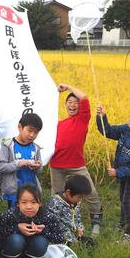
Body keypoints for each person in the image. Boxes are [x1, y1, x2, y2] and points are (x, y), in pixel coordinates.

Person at [50, 84, 103, 235]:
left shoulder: (82, 119)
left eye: (75, 102)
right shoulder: (58, 124)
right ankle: (58, 220)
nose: (72, 105)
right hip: (57, 164)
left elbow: (84, 97)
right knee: (57, 194)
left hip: (77, 164)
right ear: (65, 105)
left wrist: (67, 87)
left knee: (90, 191)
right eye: (69, 102)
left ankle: (96, 219)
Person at [96, 104, 130, 242]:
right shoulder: (127, 130)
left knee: (128, 202)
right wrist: (102, 117)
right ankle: (122, 223)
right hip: (124, 174)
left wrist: (118, 172)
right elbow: (107, 131)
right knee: (123, 200)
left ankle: (129, 233)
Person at [0, 184, 63, 258]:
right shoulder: (11, 214)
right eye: (24, 202)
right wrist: (16, 228)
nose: (29, 206)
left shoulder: (47, 216)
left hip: (33, 246)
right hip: (14, 246)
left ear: (40, 203)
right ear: (18, 204)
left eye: (33, 202)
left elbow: (59, 238)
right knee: (16, 240)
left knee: (41, 242)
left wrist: (43, 231)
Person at [0, 113, 44, 208]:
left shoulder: (35, 148)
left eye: (36, 132)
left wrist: (38, 167)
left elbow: (39, 171)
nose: (32, 135)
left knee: (30, 215)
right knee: (14, 218)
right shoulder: (8, 146)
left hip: (32, 191)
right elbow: (0, 166)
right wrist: (18, 164)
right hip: (14, 192)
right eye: (29, 131)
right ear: (20, 127)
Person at [46, 175, 92, 244]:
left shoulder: (76, 202)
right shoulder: (56, 202)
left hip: (72, 233)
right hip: (60, 235)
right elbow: (53, 223)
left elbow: (77, 218)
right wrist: (68, 236)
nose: (80, 200)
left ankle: (77, 242)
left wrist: (80, 228)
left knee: (90, 242)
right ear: (68, 193)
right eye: (79, 197)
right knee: (72, 245)